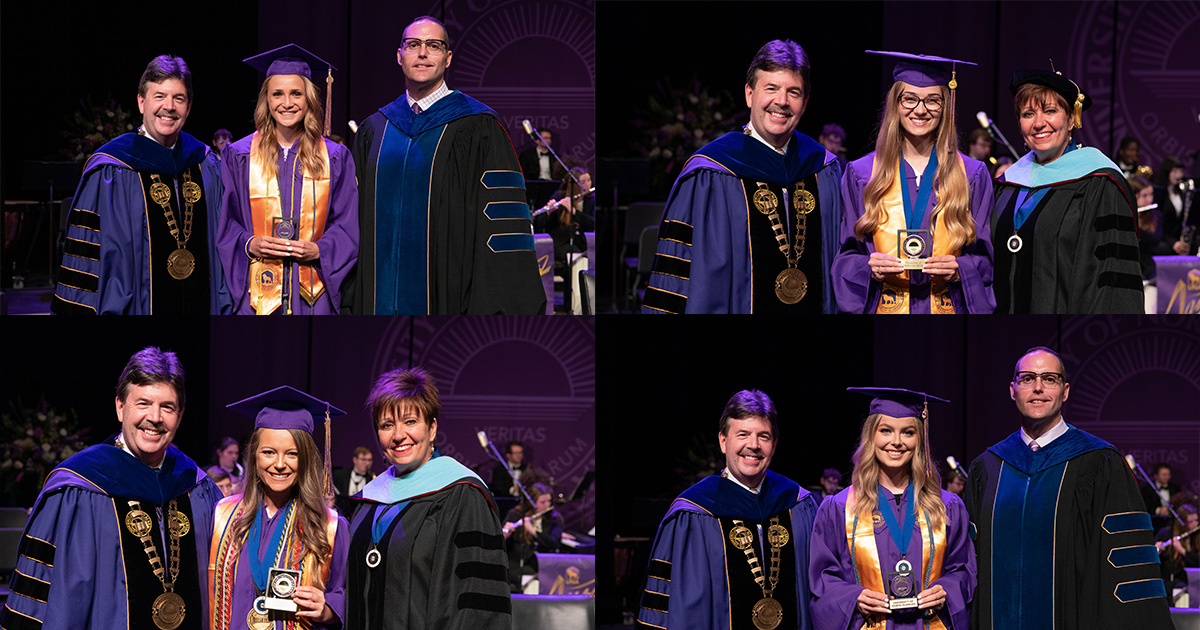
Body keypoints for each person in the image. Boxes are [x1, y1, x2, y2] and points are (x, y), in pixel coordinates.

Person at [0, 346, 222, 630]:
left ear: (180, 415)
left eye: (167, 407)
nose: (155, 417)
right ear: (120, 407)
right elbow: (49, 603)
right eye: (142, 403)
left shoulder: (198, 488)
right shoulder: (77, 491)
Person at [964, 346, 1173, 629]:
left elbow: (1126, 571)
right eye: (1027, 379)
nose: (1038, 388)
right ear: (1013, 390)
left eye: (1049, 379)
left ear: (1065, 391)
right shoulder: (987, 468)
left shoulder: (1099, 463)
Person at [348, 16, 544, 315]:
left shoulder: (479, 125)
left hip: (452, 298)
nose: (423, 53)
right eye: (413, 44)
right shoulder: (374, 129)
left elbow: (503, 227)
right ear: (399, 55)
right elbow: (352, 219)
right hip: (376, 295)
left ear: (448, 58)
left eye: (434, 45)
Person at [642, 39, 843, 314]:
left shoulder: (823, 168)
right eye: (771, 88)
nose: (781, 101)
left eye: (793, 92)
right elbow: (676, 276)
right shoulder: (710, 173)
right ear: (749, 94)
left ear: (805, 102)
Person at [52, 55, 232, 315]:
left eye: (178, 98)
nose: (168, 107)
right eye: (159, 96)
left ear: (189, 106)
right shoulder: (110, 170)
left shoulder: (206, 164)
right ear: (141, 102)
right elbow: (88, 262)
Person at [345, 367, 511, 630]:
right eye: (387, 425)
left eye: (410, 422)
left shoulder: (462, 494)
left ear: (432, 428)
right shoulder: (369, 500)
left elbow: (475, 604)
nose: (398, 435)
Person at [636, 389, 817, 630]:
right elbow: (666, 607)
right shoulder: (693, 513)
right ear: (723, 441)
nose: (753, 445)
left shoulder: (798, 504)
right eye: (743, 434)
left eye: (763, 436)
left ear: (774, 445)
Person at [832, 51, 995, 314]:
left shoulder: (972, 174)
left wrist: (960, 271)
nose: (920, 110)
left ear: (946, 106)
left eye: (933, 100)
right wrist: (868, 268)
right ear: (895, 103)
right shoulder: (861, 173)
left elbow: (986, 260)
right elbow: (846, 258)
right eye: (909, 99)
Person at [810, 387, 975, 630]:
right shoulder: (838, 509)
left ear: (919, 439)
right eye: (885, 431)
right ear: (871, 436)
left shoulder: (947, 506)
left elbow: (963, 569)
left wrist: (946, 590)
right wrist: (852, 597)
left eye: (908, 432)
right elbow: (822, 578)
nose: (896, 442)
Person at [217, 44, 359, 315]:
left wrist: (319, 249)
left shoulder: (335, 156)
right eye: (277, 94)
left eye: (297, 93)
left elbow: (347, 224)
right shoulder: (238, 155)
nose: (287, 103)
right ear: (266, 100)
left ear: (309, 99)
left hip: (314, 294)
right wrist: (250, 243)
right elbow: (225, 222)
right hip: (255, 294)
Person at [991, 68, 1144, 313]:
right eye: (1028, 114)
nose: (1039, 123)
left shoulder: (1100, 183)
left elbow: (1113, 281)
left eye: (1050, 111)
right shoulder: (1006, 183)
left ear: (1072, 119)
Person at [211, 386, 349, 630]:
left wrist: (327, 610)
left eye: (292, 454)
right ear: (254, 455)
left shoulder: (329, 526)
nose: (279, 464)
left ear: (305, 459)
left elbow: (348, 594)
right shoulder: (222, 516)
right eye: (268, 452)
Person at [502, 481, 564, 593]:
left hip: (543, 564)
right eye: (542, 502)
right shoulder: (516, 514)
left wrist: (533, 531)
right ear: (532, 502)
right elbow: (503, 545)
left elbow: (555, 543)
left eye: (549, 501)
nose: (547, 505)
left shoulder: (554, 518)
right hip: (517, 564)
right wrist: (506, 535)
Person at [1157, 504, 1199, 605]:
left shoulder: (1197, 537)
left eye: (1196, 520)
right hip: (1169, 581)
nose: (1195, 525)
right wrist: (1156, 552)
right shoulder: (1166, 533)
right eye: (1190, 522)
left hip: (1193, 580)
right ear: (1181, 524)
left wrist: (1182, 550)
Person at [1155, 156, 1194, 255]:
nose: (1179, 175)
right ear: (1167, 172)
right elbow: (1157, 225)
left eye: (1181, 171)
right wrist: (1173, 243)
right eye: (1175, 171)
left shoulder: (1183, 193)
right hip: (1163, 238)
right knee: (1163, 249)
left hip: (1178, 239)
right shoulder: (1158, 194)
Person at [332, 446, 375, 516]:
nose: (367, 463)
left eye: (369, 460)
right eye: (363, 459)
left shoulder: (373, 480)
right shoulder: (339, 475)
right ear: (355, 460)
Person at [1141, 462, 1182, 531]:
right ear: (1155, 476)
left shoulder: (1175, 488)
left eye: (1168, 474)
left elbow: (1179, 504)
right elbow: (1145, 507)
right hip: (1154, 524)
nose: (1167, 477)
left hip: (1172, 523)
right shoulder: (1147, 490)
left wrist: (1169, 510)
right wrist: (1158, 510)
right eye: (1163, 475)